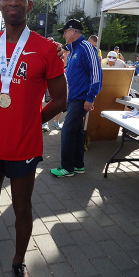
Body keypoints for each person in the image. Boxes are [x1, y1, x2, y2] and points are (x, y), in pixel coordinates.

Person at [0, 0, 67, 277]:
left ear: (29, 3)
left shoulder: (45, 49)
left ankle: (18, 262)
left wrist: (33, 120)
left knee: (23, 207)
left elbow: (61, 99)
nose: (13, 1)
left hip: (25, 146)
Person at [50, 19, 102, 177]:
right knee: (77, 132)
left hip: (81, 99)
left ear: (73, 31)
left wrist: (90, 98)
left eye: (64, 32)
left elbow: (97, 74)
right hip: (74, 98)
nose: (63, 35)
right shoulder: (74, 50)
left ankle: (67, 167)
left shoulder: (86, 47)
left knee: (67, 131)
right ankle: (78, 165)